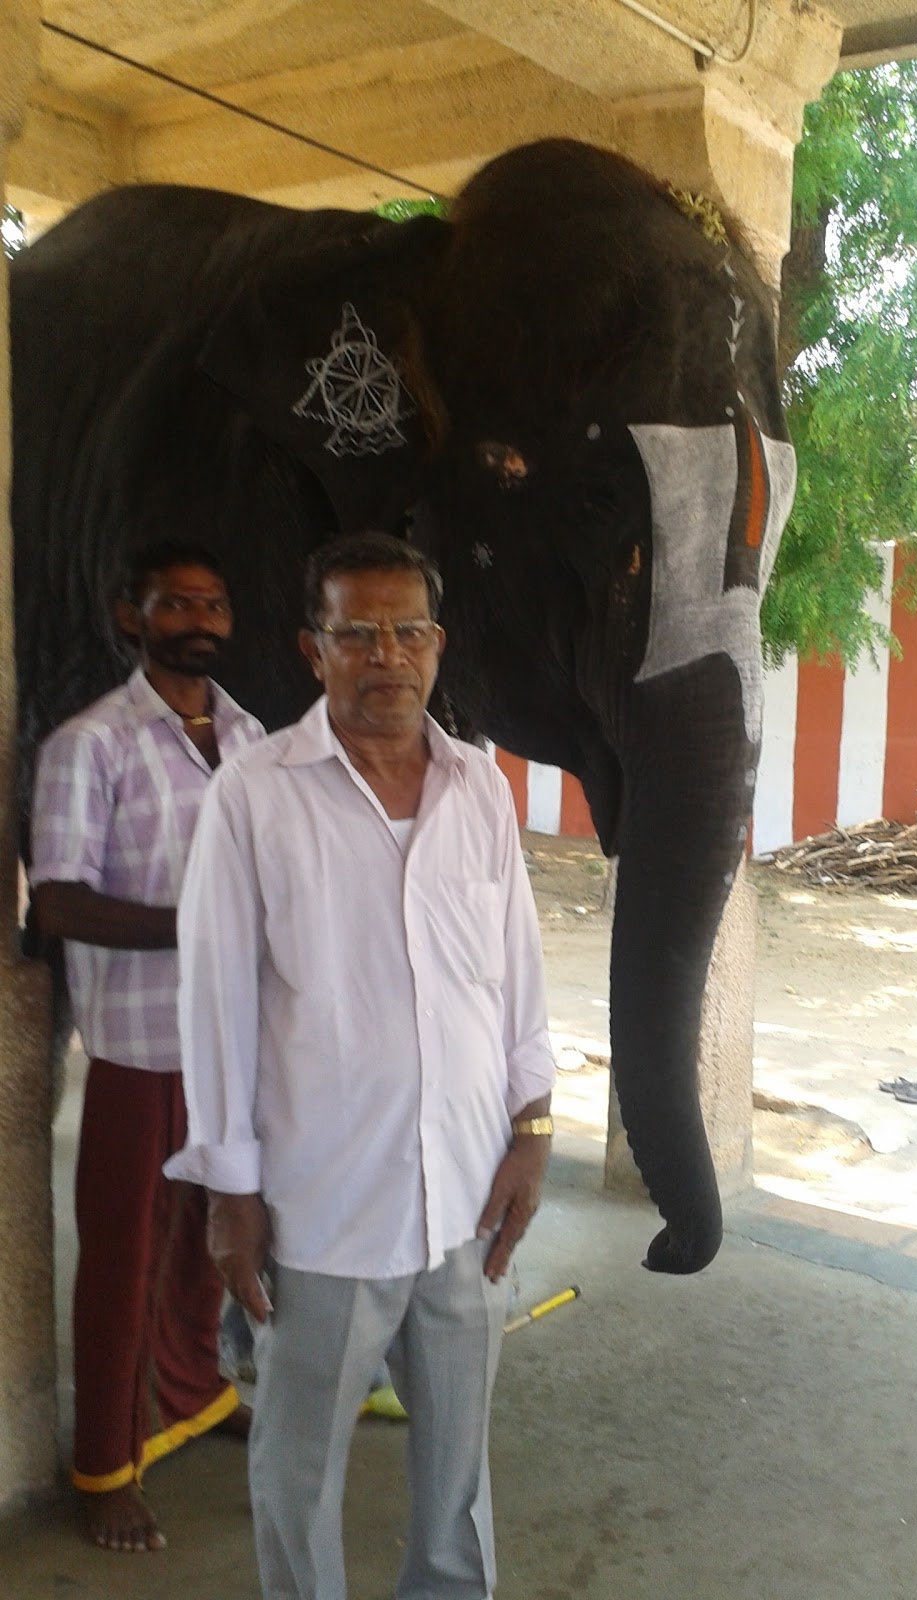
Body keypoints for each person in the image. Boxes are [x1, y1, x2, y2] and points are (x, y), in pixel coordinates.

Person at [166, 531, 556, 1600]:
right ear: (314, 649)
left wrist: (532, 1129)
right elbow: (215, 1005)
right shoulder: (255, 795)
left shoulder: (479, 788)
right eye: (359, 634)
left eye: (408, 631)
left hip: (468, 1199)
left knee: (458, 1474)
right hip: (326, 1209)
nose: (388, 655)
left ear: (437, 643)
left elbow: (518, 978)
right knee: (299, 1470)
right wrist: (230, 1194)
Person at [29, 540, 264, 1553]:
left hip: (236, 1042)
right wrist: (200, 926)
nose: (198, 619)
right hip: (139, 1044)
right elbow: (60, 902)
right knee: (123, 1256)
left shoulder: (252, 737)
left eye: (213, 603)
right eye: (176, 603)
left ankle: (195, 1393)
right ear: (133, 616)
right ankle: (105, 1465)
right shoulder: (90, 743)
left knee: (213, 1239)